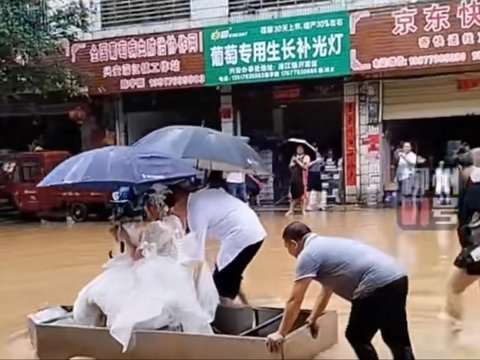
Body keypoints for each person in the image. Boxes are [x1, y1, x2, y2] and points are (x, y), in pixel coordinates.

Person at [73, 187, 219, 352]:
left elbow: (138, 256)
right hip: (177, 270)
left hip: (159, 272)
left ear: (152, 208)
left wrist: (125, 239)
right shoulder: (175, 221)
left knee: (116, 287)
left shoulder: (156, 227)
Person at [266, 221, 414, 360]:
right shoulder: (326, 243)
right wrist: (313, 317)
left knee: (356, 336)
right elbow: (327, 290)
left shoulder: (307, 255)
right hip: (397, 276)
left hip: (375, 283)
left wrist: (281, 333)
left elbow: (295, 300)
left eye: (286, 247)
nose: (289, 252)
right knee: (396, 338)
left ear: (293, 244)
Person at [169, 184, 267, 306]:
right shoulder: (200, 198)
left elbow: (196, 257)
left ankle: (233, 318)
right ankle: (247, 306)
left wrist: (193, 291)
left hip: (243, 236)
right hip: (252, 231)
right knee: (228, 273)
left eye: (175, 211)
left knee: (221, 286)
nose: (177, 215)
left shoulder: (195, 211)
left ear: (179, 203)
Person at [445, 148, 480, 331]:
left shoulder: (474, 191)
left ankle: (454, 334)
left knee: (453, 288)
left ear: (460, 168)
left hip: (477, 252)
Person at [286, 145, 310, 216]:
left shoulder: (306, 157)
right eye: (298, 149)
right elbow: (290, 166)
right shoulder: (294, 157)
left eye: (300, 149)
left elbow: (305, 167)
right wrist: (293, 163)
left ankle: (303, 210)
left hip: (302, 178)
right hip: (294, 177)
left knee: (302, 195)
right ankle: (291, 210)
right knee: (293, 195)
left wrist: (297, 161)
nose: (299, 150)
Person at [306, 143, 323, 211]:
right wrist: (316, 161)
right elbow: (307, 165)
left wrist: (321, 162)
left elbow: (321, 164)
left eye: (316, 147)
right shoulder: (309, 155)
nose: (315, 149)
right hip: (311, 172)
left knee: (319, 190)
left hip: (317, 173)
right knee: (309, 190)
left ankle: (319, 205)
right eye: (313, 147)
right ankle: (307, 205)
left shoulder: (319, 154)